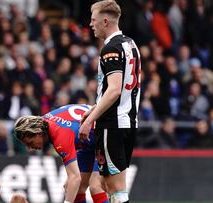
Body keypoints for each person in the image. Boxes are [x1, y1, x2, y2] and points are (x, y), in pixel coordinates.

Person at [79, 1, 141, 203]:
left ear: (105, 21)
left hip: (111, 125)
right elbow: (122, 89)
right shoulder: (131, 45)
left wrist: (90, 120)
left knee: (114, 187)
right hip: (129, 122)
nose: (90, 24)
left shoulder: (110, 49)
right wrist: (95, 108)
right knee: (109, 184)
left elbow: (114, 89)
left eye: (94, 19)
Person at [14, 104, 109, 203]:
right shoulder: (44, 123)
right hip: (89, 141)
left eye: (30, 143)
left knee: (96, 186)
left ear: (38, 132)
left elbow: (75, 177)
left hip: (105, 135)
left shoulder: (59, 135)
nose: (30, 148)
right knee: (72, 189)